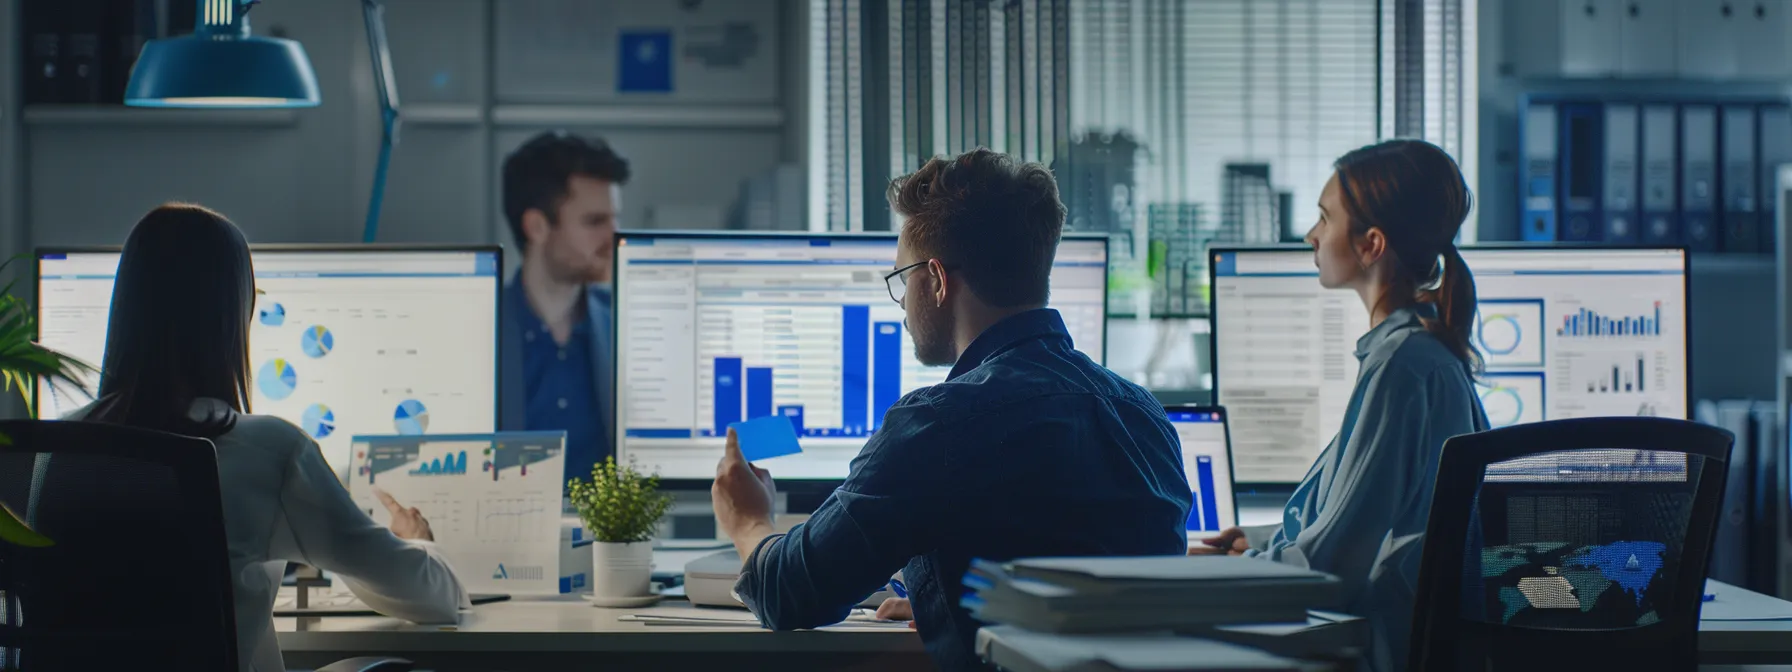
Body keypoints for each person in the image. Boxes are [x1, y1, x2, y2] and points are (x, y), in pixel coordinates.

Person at [710, 148, 1192, 671]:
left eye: (902, 279)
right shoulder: (1143, 415)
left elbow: (791, 593)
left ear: (936, 281)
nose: (902, 306)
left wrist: (749, 522)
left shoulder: (940, 422)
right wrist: (950, 596)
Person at [77, 204, 469, 672]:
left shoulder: (54, 452)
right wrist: (421, 543)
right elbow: (425, 596)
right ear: (231, 317)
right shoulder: (267, 453)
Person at [1191, 139, 1490, 671]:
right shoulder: (1415, 352)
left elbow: (1329, 569)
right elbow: (1353, 519)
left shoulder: (1403, 366)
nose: (1311, 234)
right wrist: (1256, 541)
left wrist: (1226, 567)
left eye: (1325, 219)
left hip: (1378, 648)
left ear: (1371, 244)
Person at [498, 131, 631, 483]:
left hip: (608, 537)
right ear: (537, 226)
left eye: (614, 219)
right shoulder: (478, 330)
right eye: (594, 222)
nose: (614, 237)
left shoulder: (629, 323)